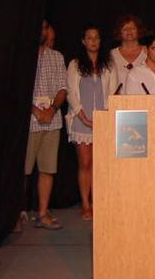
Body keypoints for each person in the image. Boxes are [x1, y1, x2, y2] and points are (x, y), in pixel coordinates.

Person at [66, 26, 120, 220]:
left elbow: (114, 92)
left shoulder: (109, 64)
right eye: (89, 38)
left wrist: (104, 117)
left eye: (96, 37)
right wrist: (83, 117)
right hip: (82, 120)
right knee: (85, 163)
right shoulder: (75, 64)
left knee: (99, 164)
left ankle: (97, 202)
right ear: (83, 41)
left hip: (103, 121)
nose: (93, 41)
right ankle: (85, 204)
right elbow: (71, 92)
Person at [23, 20, 67, 230]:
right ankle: (16, 213)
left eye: (45, 27)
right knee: (24, 170)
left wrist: (51, 109)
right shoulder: (24, 56)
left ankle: (42, 213)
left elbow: (62, 88)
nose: (43, 31)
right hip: (31, 121)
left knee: (48, 169)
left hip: (52, 120)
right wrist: (35, 110)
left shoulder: (56, 57)